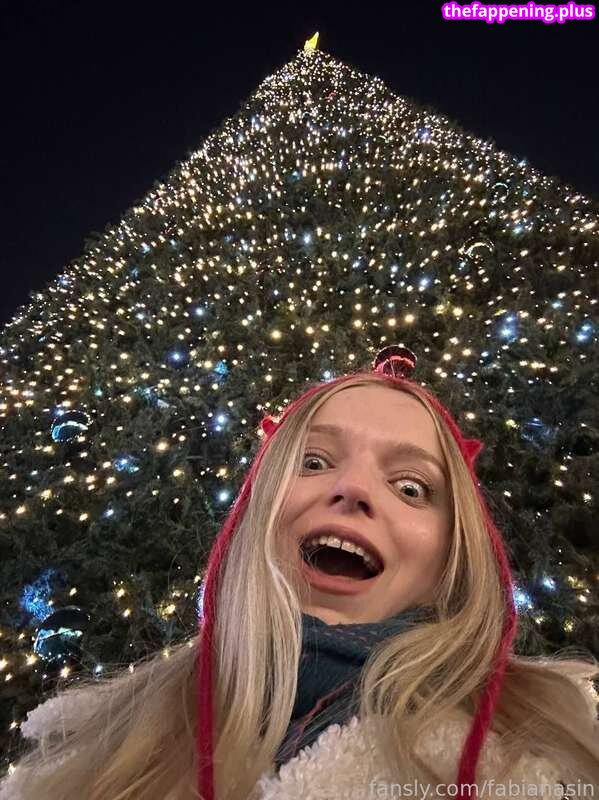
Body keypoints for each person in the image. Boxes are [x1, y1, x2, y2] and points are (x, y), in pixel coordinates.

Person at [1, 347, 598, 800]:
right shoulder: (88, 745)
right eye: (313, 461)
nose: (353, 488)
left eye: (411, 487)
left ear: (449, 563)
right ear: (255, 510)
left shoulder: (557, 741)